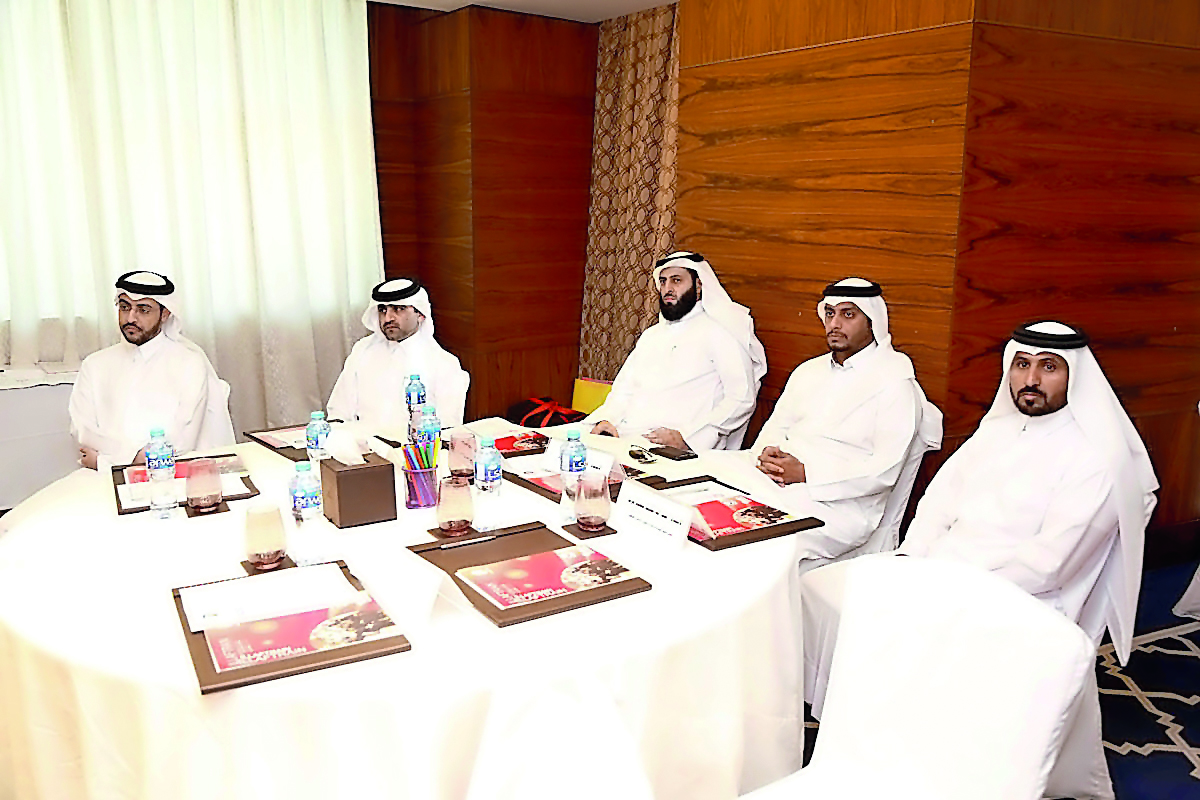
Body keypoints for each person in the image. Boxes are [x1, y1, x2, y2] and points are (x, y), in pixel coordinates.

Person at [897, 320, 1157, 663]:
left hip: (1019, 599)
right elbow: (934, 509)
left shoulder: (1097, 457)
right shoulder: (993, 432)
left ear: (1075, 376)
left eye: (1048, 367)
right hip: (943, 575)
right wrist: (909, 562)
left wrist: (954, 591)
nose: (1030, 380)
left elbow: (1048, 565)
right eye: (1022, 365)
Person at [753, 278, 942, 564]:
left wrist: (807, 473)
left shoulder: (895, 382)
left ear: (872, 321)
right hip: (779, 483)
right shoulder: (808, 371)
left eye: (848, 314)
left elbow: (884, 471)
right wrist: (767, 454)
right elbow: (775, 429)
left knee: (753, 539)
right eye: (830, 314)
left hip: (841, 507)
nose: (835, 323)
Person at [585, 251, 766, 450]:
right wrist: (607, 419)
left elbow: (741, 398)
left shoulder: (720, 333)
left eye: (676, 280)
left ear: (698, 285)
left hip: (674, 447)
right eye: (663, 281)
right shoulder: (651, 335)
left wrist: (688, 438)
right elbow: (624, 388)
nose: (667, 289)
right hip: (624, 435)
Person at [69, 271, 235, 472]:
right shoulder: (95, 365)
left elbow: (183, 441)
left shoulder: (190, 362)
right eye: (124, 307)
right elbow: (84, 432)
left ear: (165, 314)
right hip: (100, 481)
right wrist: (135, 457)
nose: (131, 318)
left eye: (143, 309)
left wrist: (106, 462)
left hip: (171, 478)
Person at [327, 277, 469, 434]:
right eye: (382, 310)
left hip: (414, 453)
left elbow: (448, 428)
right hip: (361, 449)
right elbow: (339, 412)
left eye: (398, 309)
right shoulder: (362, 351)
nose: (388, 318)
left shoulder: (443, 363)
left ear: (420, 314)